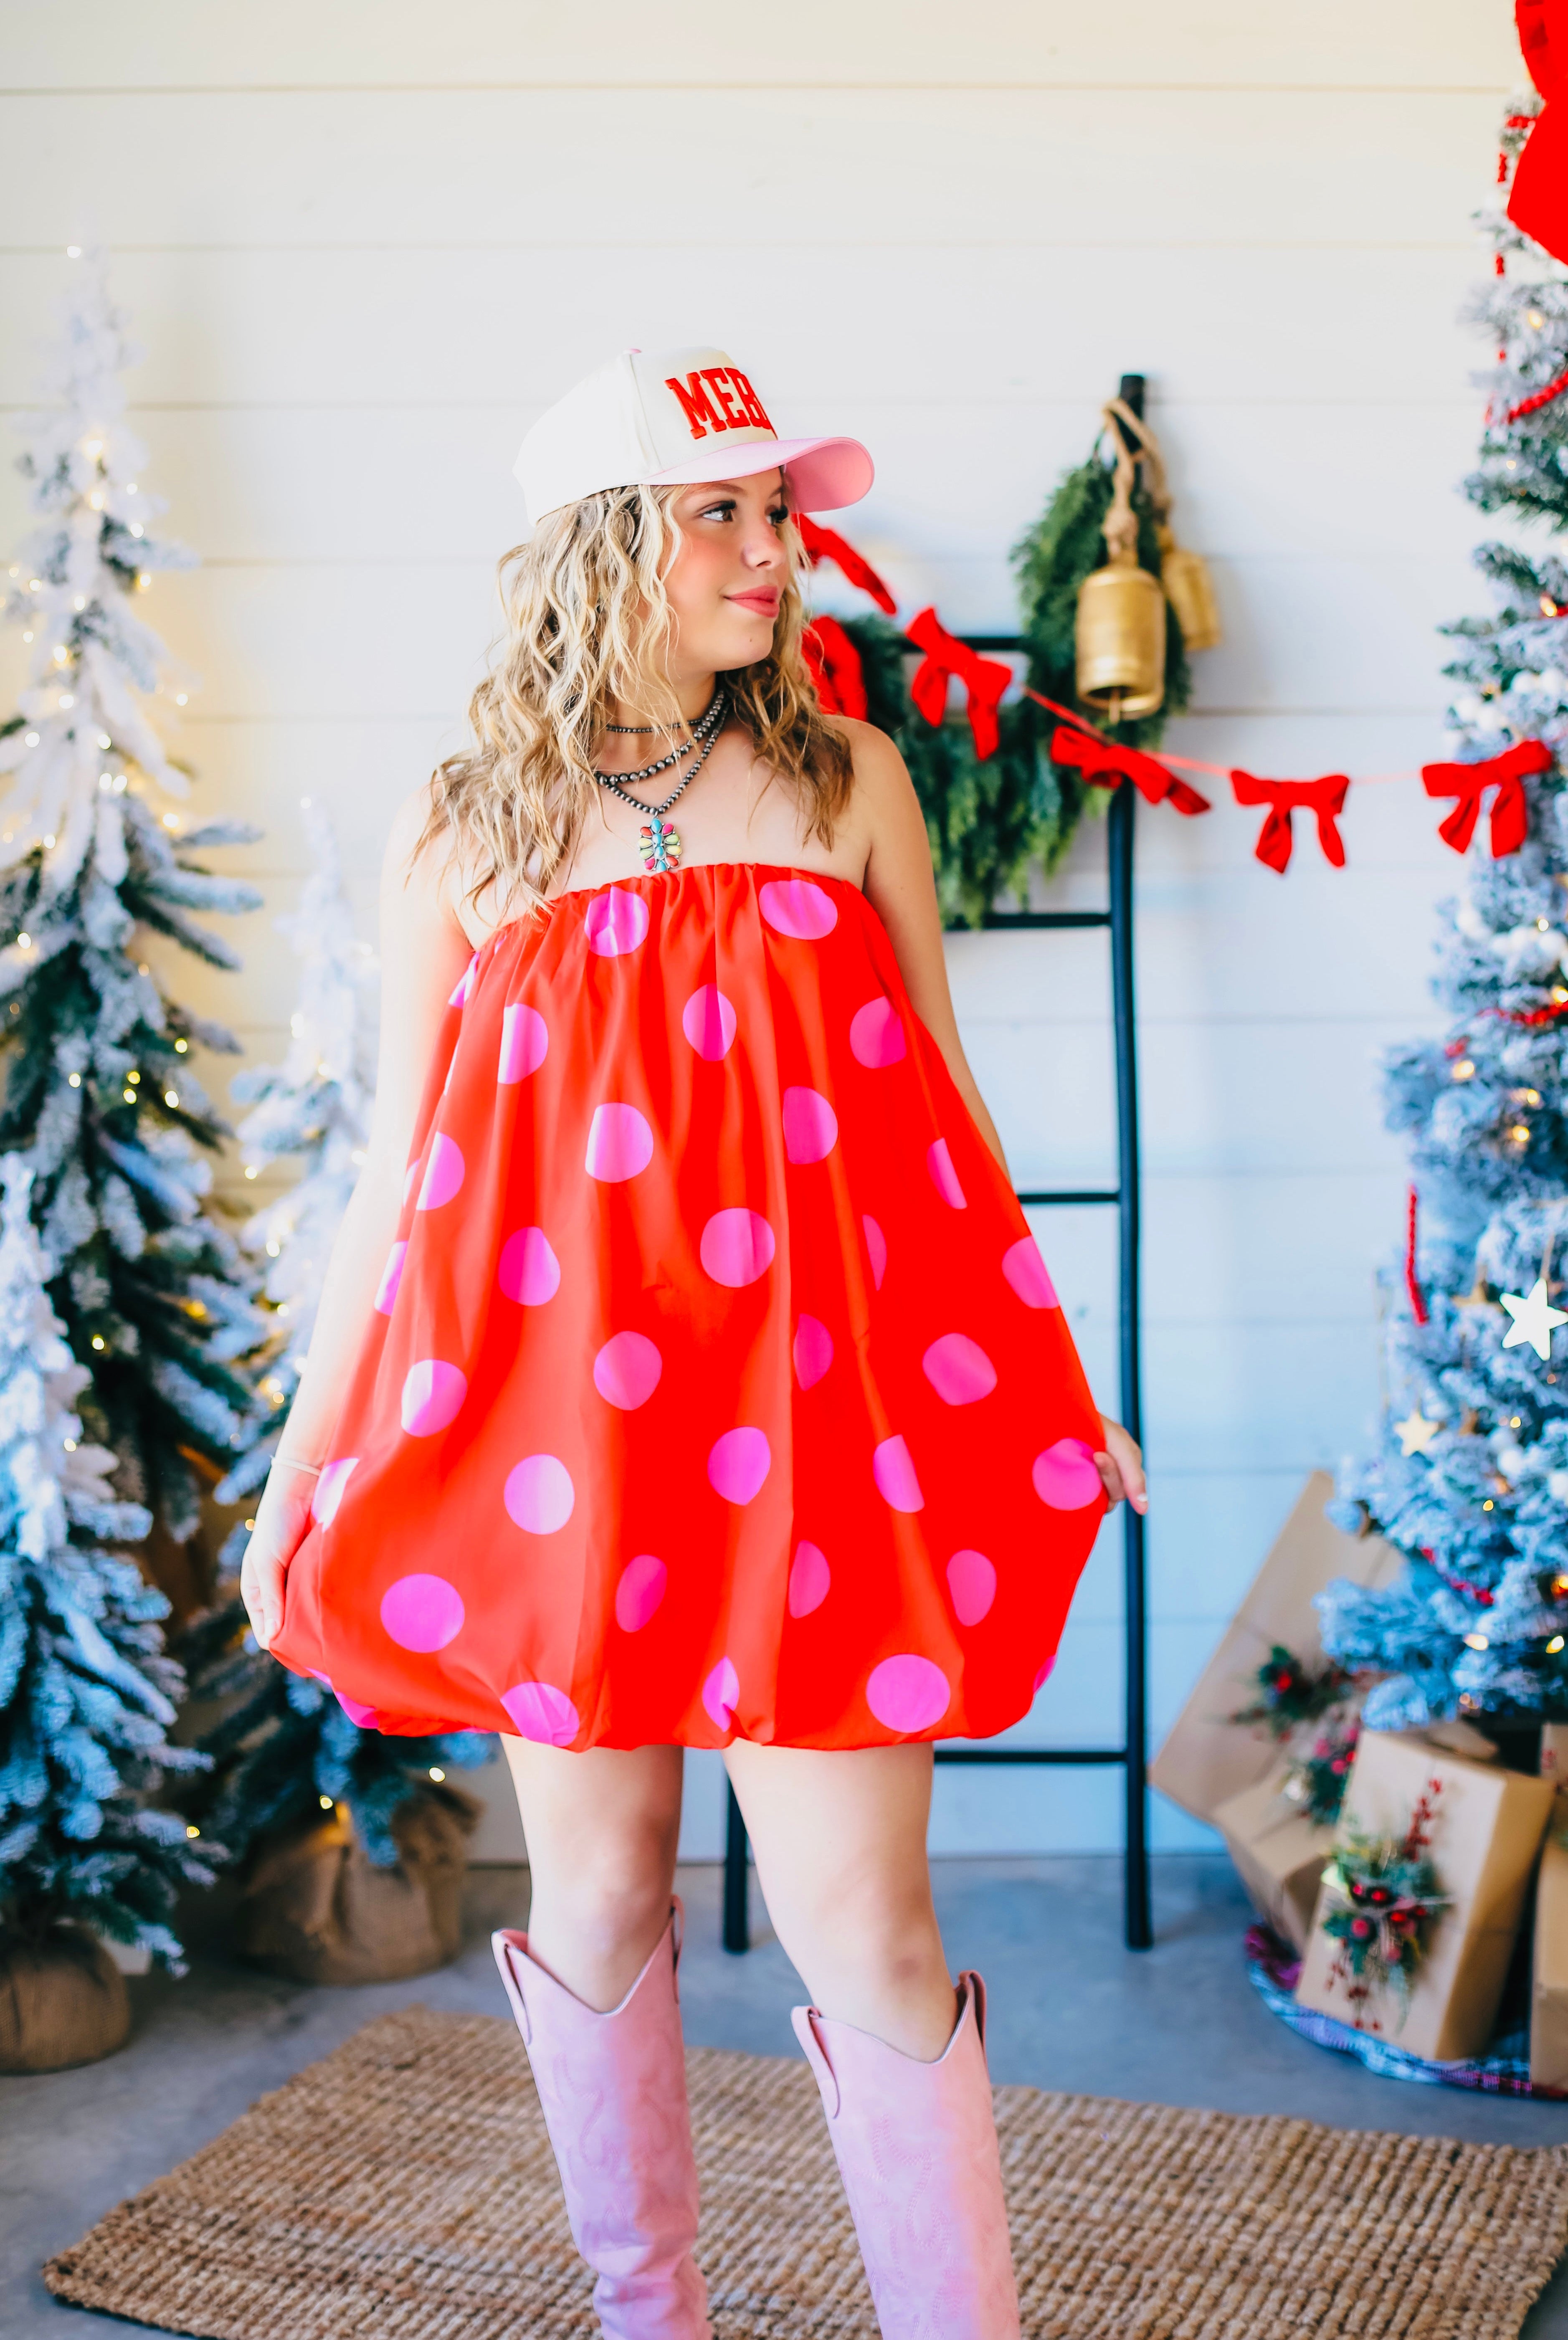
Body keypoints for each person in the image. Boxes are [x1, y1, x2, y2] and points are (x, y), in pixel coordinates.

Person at [243, 344, 1146, 2340]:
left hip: (818, 1434)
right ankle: (650, 2316)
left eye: (777, 509)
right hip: (554, 1441)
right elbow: (393, 1184)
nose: (775, 547)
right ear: (600, 549)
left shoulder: (850, 783)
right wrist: (304, 1464)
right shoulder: (462, 828)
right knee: (603, 1894)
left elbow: (951, 1118)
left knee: (871, 1929)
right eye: (721, 511)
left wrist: (1060, 1378)